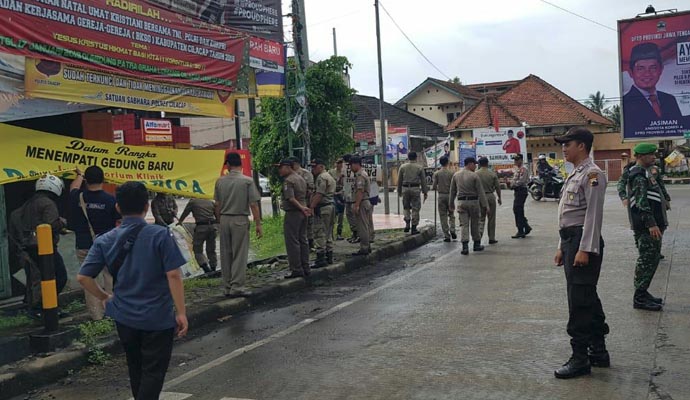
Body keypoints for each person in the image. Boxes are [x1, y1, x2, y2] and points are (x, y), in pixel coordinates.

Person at [77, 181, 188, 399]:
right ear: (146, 206)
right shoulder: (160, 235)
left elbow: (83, 277)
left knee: (136, 369)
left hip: (125, 317)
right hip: (157, 317)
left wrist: (104, 296)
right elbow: (174, 275)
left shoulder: (104, 240)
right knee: (153, 373)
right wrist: (181, 312)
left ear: (118, 207)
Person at [553, 127, 609, 380]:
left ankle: (580, 358)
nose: (564, 148)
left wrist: (585, 249)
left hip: (582, 242)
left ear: (582, 146)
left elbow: (593, 215)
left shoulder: (593, 174)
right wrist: (560, 246)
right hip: (570, 241)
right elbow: (567, 215)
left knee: (579, 300)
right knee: (587, 295)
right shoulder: (575, 173)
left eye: (568, 144)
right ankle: (598, 350)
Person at [8, 174, 69, 315]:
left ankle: (39, 307)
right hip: (45, 248)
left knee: (38, 278)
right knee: (59, 277)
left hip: (28, 248)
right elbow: (51, 225)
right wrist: (62, 223)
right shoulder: (48, 203)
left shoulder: (27, 205)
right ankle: (45, 306)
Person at [68, 166, 120, 320]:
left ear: (86, 181)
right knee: (109, 277)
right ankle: (111, 312)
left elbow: (73, 187)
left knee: (88, 278)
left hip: (84, 244)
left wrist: (79, 175)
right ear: (103, 180)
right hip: (106, 245)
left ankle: (96, 315)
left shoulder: (77, 197)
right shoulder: (110, 200)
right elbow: (119, 220)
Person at [627, 143, 668, 312]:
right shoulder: (638, 175)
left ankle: (643, 292)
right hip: (646, 227)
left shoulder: (646, 172)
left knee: (653, 258)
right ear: (640, 156)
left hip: (652, 224)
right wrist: (651, 224)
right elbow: (641, 202)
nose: (654, 157)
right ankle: (639, 297)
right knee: (646, 260)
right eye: (650, 155)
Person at [214, 152, 263, 297]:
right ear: (240, 164)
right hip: (240, 219)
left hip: (224, 219)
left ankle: (227, 287)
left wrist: (219, 220)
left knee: (225, 254)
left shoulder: (220, 181)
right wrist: (258, 224)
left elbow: (217, 205)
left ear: (228, 165)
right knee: (239, 253)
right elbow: (253, 204)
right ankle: (237, 287)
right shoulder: (247, 181)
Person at [623, 42, 684, 136]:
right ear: (631, 72)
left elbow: (681, 131)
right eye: (640, 69)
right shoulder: (626, 103)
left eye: (653, 68)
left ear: (661, 70)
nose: (647, 74)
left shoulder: (669, 99)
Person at [278, 158, 312, 278]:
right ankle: (305, 266)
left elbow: (291, 198)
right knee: (303, 239)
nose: (279, 170)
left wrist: (301, 208)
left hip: (294, 213)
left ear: (288, 167)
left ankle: (296, 268)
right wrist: (304, 208)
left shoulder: (289, 181)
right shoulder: (301, 178)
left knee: (292, 241)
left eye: (281, 167)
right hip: (303, 212)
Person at [449, 157, 489, 255]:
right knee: (475, 224)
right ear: (470, 164)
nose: (475, 166)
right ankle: (476, 244)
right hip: (473, 202)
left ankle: (465, 247)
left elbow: (452, 191)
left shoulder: (456, 175)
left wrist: (451, 203)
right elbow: (480, 192)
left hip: (461, 202)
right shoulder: (474, 176)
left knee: (464, 225)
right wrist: (485, 205)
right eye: (474, 164)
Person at [178, 198, 218, 274]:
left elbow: (185, 212)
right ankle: (213, 268)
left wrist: (180, 221)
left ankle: (206, 268)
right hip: (212, 227)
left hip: (201, 228)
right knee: (211, 249)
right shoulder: (210, 202)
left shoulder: (193, 202)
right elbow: (217, 215)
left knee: (197, 249)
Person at [310, 158, 337, 268]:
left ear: (321, 166)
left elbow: (319, 194)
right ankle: (329, 255)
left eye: (314, 166)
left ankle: (321, 257)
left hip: (323, 207)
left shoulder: (322, 177)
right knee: (328, 232)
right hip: (330, 206)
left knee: (319, 232)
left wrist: (312, 206)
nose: (313, 169)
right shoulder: (329, 176)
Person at [397, 151, 428, 235]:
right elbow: (423, 181)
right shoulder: (419, 167)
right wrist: (425, 192)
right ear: (416, 158)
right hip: (415, 189)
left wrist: (399, 191)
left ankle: (407, 222)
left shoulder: (403, 167)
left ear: (408, 157)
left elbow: (399, 180)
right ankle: (414, 227)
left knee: (406, 207)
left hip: (405, 188)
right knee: (415, 208)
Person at [350, 156, 374, 256]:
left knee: (362, 226)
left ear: (356, 164)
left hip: (362, 202)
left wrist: (356, 205)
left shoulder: (360, 175)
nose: (350, 167)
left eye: (351, 165)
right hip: (365, 202)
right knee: (366, 225)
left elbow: (360, 191)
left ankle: (364, 247)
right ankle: (367, 246)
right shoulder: (363, 174)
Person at [290, 157, 315, 250]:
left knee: (308, 224)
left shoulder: (305, 173)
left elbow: (311, 189)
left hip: (305, 202)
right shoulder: (290, 174)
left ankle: (310, 243)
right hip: (294, 205)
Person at [476, 157, 502, 244]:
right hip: (490, 196)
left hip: (480, 197)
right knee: (491, 218)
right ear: (487, 163)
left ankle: (479, 237)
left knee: (480, 218)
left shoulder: (476, 174)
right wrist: (499, 198)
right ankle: (491, 238)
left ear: (479, 164)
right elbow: (497, 187)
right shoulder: (492, 174)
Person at [432, 156, 457, 242]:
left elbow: (434, 186)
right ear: (447, 162)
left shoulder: (437, 173)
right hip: (450, 195)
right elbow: (455, 186)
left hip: (441, 195)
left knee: (443, 216)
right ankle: (452, 229)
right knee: (451, 214)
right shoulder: (452, 173)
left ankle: (446, 235)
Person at [510, 154, 532, 238]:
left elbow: (521, 181)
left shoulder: (523, 169)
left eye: (517, 159)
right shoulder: (518, 169)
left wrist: (513, 185)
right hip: (518, 190)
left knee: (517, 209)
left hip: (521, 190)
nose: (515, 161)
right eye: (514, 160)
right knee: (518, 210)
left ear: (521, 160)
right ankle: (525, 227)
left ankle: (521, 230)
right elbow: (515, 179)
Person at [342, 154, 359, 243]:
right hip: (351, 194)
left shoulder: (345, 169)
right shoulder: (356, 169)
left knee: (351, 215)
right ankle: (355, 233)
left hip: (351, 195)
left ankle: (356, 233)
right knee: (352, 215)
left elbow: (340, 179)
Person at [328, 158, 346, 241]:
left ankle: (339, 233)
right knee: (333, 215)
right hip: (333, 194)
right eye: (338, 163)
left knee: (341, 216)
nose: (340, 165)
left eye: (341, 163)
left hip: (341, 194)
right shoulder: (331, 172)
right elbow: (330, 183)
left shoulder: (345, 172)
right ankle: (331, 234)